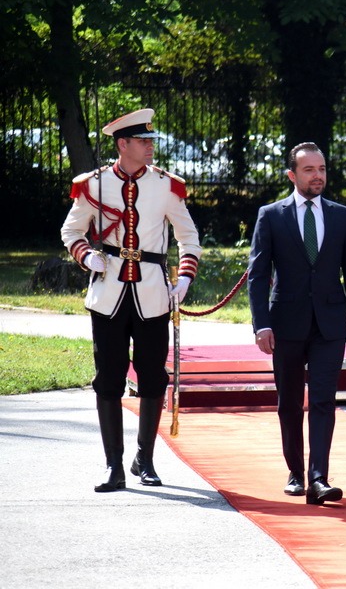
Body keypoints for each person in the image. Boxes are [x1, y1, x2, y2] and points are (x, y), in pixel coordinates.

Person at [60, 107, 201, 492]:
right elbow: (71, 230)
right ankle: (113, 466)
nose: (150, 146)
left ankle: (146, 458)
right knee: (109, 378)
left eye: (150, 140)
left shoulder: (167, 185)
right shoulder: (94, 184)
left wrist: (185, 278)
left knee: (154, 377)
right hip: (107, 295)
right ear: (123, 144)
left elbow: (189, 238)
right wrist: (87, 255)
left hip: (153, 294)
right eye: (143, 141)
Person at [248, 142, 346, 506]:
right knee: (288, 403)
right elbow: (257, 274)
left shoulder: (342, 215)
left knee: (323, 401)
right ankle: (295, 473)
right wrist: (261, 324)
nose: (318, 176)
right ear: (292, 175)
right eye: (309, 170)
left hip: (330, 324)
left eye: (322, 169)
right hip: (285, 324)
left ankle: (319, 477)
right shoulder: (271, 215)